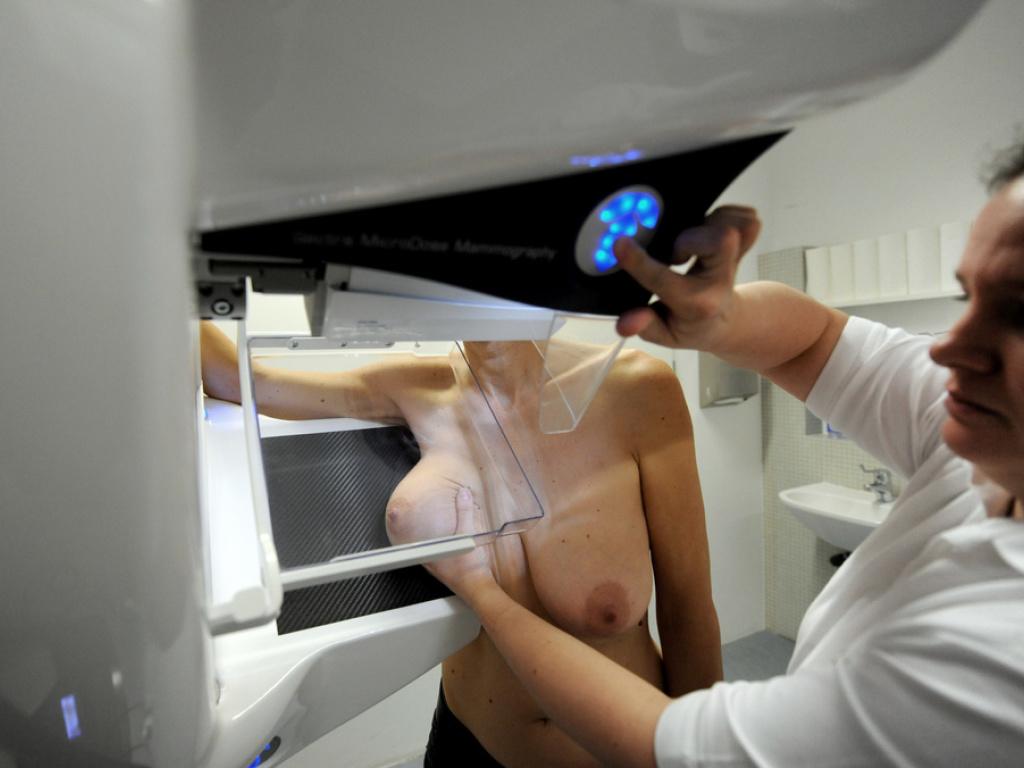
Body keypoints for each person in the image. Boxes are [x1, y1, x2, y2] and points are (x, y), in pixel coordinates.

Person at [426, 141, 1024, 767]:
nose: (948, 350)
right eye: (968, 299)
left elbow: (665, 740)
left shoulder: (987, 660)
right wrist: (722, 316)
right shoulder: (983, 436)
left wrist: (481, 592)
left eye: (1021, 315)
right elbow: (815, 339)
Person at [200, 325, 722, 765]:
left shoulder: (637, 391)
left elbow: (688, 610)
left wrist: (705, 758)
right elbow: (234, 378)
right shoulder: (414, 387)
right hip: (466, 743)